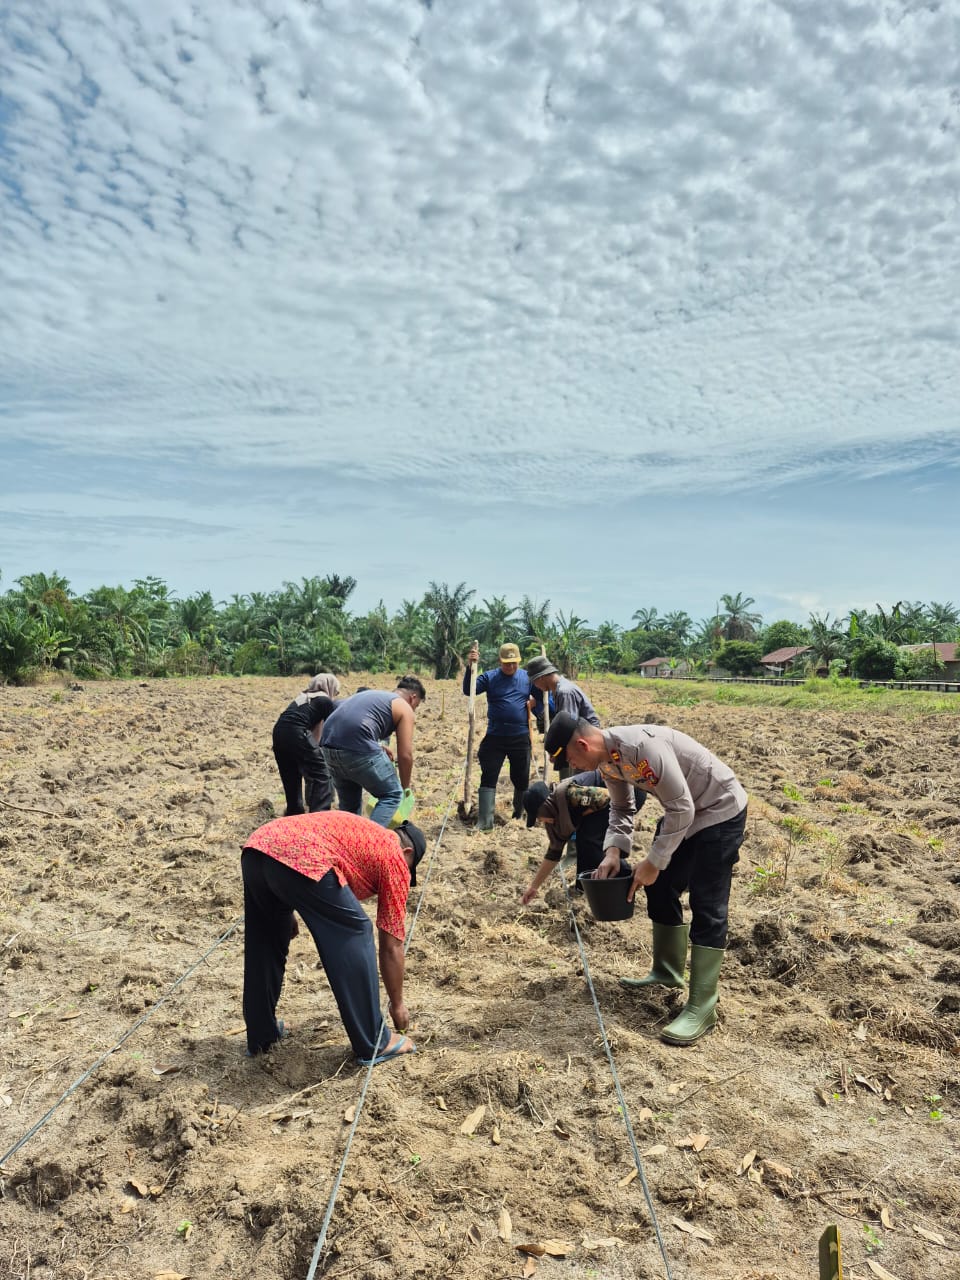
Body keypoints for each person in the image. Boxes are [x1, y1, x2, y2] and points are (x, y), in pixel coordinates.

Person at [543, 712, 748, 1046]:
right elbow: (622, 808)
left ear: (582, 744)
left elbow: (681, 807)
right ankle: (667, 973)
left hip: (719, 810)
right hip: (685, 816)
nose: (573, 766)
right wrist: (613, 852)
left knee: (706, 902)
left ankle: (702, 1006)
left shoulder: (640, 749)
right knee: (662, 886)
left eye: (570, 759)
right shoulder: (608, 761)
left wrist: (654, 860)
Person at [240, 809, 427, 1063]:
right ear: (407, 853)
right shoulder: (395, 856)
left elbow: (300, 844)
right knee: (356, 929)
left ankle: (261, 1035)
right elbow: (391, 945)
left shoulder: (366, 834)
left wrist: (286, 905)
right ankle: (374, 1042)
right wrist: (398, 1004)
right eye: (409, 869)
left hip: (258, 848)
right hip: (298, 857)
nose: (405, 878)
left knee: (266, 940)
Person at [520, 770, 643, 904]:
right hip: (612, 799)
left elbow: (606, 797)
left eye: (539, 816)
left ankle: (622, 878)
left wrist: (582, 816)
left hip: (629, 790)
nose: (541, 821)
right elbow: (553, 853)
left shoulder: (569, 794)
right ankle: (586, 889)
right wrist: (534, 887)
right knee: (585, 840)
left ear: (545, 807)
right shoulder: (555, 815)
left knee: (590, 841)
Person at [321, 677, 426, 827]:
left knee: (349, 807)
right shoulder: (404, 706)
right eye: (417, 705)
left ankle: (350, 846)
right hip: (357, 747)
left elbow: (352, 719)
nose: (414, 709)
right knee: (392, 795)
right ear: (413, 697)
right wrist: (405, 788)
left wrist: (376, 745)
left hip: (328, 747)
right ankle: (371, 844)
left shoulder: (374, 696)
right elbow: (405, 755)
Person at [463, 642, 532, 830]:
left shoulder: (527, 678)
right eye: (507, 663)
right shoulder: (490, 677)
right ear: (500, 661)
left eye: (514, 663)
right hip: (495, 736)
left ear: (519, 661)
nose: (510, 667)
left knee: (521, 777)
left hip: (520, 736)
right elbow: (469, 690)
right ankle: (485, 821)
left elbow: (541, 699)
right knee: (489, 775)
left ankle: (520, 815)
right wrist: (470, 668)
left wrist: (543, 713)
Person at [525, 656, 599, 777]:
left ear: (542, 677)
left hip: (585, 744)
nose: (536, 686)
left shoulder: (565, 692)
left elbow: (568, 729)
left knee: (577, 784)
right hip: (580, 742)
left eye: (535, 682)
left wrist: (558, 752)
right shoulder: (558, 690)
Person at [272, 684, 339, 815]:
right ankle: (319, 817)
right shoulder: (324, 700)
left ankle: (294, 813)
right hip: (297, 733)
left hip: (279, 733)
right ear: (329, 686)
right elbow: (331, 728)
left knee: (290, 775)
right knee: (321, 774)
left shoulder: (304, 697)